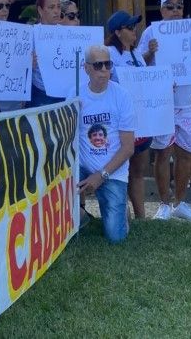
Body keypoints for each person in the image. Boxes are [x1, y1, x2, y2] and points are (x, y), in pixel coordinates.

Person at [137, 0, 191, 221]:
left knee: (186, 154)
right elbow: (139, 64)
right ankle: (164, 203)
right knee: (163, 154)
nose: (175, 10)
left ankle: (180, 203)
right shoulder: (151, 32)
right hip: (163, 104)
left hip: (186, 104)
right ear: (162, 9)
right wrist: (149, 52)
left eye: (179, 6)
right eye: (170, 6)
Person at [74, 45, 136, 243]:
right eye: (98, 65)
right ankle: (80, 215)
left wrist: (101, 176)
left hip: (112, 171)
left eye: (108, 65)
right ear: (86, 68)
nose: (104, 70)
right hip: (82, 168)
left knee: (115, 237)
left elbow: (128, 147)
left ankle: (121, 211)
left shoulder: (122, 96)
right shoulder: (75, 96)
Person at [105, 10, 151, 218]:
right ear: (117, 32)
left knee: (138, 171)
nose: (134, 31)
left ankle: (141, 217)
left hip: (141, 122)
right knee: (119, 172)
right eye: (130, 27)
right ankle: (121, 215)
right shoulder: (108, 54)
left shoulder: (137, 54)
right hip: (119, 124)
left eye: (135, 27)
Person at [27, 0, 63, 107]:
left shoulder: (68, 33)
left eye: (58, 7)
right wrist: (28, 64)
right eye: (51, 7)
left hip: (65, 93)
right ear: (40, 10)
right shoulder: (30, 34)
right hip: (41, 94)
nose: (56, 11)